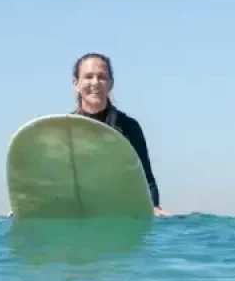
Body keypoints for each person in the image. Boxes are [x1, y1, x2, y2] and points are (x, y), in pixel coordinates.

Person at [72, 52, 168, 216]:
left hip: (119, 213)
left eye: (102, 77)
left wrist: (154, 206)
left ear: (111, 84)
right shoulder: (65, 128)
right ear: (76, 84)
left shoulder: (129, 127)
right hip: (77, 213)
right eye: (88, 76)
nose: (95, 82)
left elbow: (146, 178)